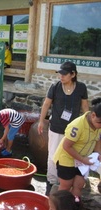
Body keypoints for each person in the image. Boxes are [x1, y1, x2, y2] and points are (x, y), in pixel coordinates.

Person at [37, 61, 89, 195]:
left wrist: (88, 124)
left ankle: (68, 181)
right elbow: (46, 104)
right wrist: (41, 121)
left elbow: (85, 108)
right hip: (56, 127)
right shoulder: (55, 87)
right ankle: (52, 181)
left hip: (74, 130)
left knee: (72, 154)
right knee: (53, 155)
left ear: (73, 74)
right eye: (60, 73)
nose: (61, 76)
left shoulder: (81, 88)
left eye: (64, 74)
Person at [53, 97, 101, 199]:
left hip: (83, 161)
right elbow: (66, 146)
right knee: (66, 186)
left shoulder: (98, 126)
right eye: (100, 123)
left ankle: (75, 205)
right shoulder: (77, 125)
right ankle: (57, 206)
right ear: (93, 115)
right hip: (67, 159)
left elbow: (98, 140)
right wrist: (83, 159)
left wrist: (98, 153)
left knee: (79, 185)